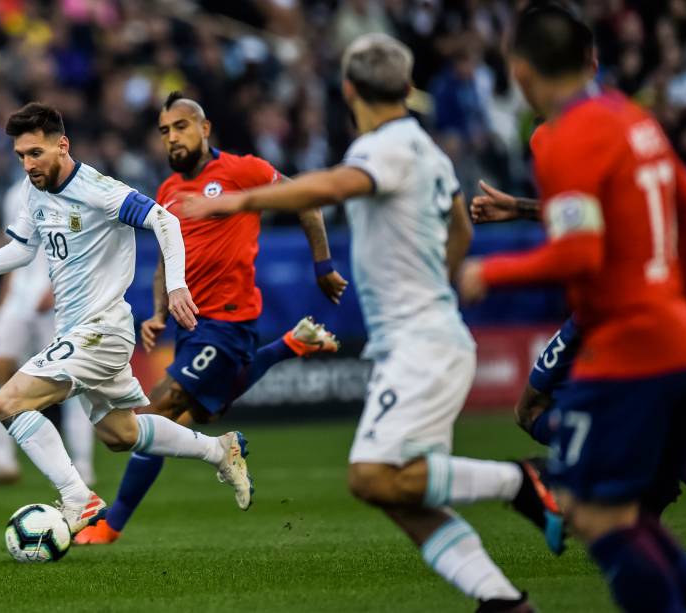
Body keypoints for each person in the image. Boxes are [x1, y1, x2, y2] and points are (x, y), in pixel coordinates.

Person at [183, 33, 554, 613]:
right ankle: (501, 600)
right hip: (426, 336)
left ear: (349, 89)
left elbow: (336, 185)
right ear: (408, 89)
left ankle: (524, 483)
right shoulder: (429, 150)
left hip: (420, 343)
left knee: (372, 477)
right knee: (406, 495)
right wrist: (444, 282)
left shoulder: (383, 147)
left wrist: (238, 202)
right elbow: (460, 226)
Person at [457, 5, 686, 611]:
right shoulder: (633, 120)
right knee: (629, 507)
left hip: (625, 344)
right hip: (675, 331)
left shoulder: (560, 137)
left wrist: (488, 270)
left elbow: (580, 254)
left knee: (594, 511)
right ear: (591, 62)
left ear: (520, 72)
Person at [0, 102, 253, 535]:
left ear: (62, 146)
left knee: (9, 402)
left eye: (36, 153)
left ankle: (78, 499)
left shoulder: (99, 189)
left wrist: (177, 286)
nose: (28, 164)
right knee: (120, 434)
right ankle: (220, 450)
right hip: (78, 329)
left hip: (102, 329)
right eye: (21, 155)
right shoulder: (34, 190)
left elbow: (165, 220)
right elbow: (23, 251)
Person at [76, 92, 346, 545]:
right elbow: (165, 258)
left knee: (153, 416)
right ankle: (291, 344)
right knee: (186, 419)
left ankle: (113, 524)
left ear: (204, 129)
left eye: (181, 127)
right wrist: (160, 311)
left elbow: (308, 200)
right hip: (188, 326)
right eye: (164, 131)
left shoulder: (243, 171)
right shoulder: (167, 192)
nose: (172, 138)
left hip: (227, 321)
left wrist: (322, 266)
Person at [0, 178, 95, 489]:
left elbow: (83, 248)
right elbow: (16, 250)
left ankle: (83, 465)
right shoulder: (13, 193)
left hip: (56, 301)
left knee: (71, 382)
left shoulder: (77, 193)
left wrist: (59, 290)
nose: (28, 158)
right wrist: (1, 306)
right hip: (19, 298)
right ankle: (2, 461)